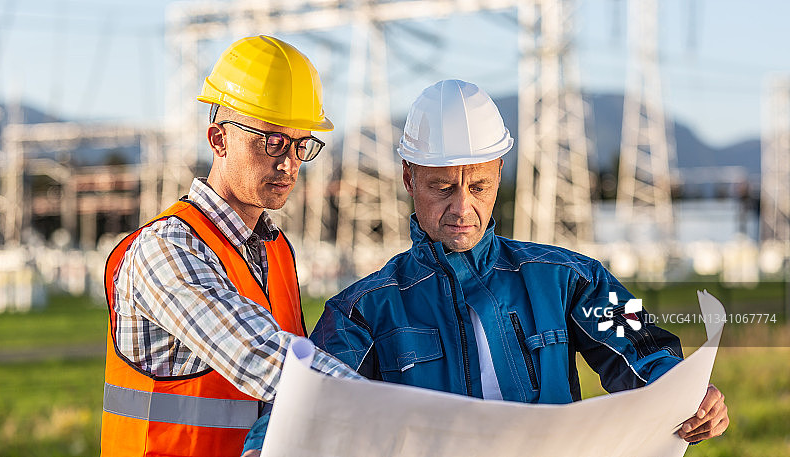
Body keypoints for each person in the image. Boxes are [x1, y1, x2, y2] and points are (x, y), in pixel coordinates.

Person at [242, 79, 728, 454]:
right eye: (442, 188)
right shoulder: (362, 313)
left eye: (478, 186)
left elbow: (646, 354)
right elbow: (300, 408)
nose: (462, 209)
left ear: (499, 171)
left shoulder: (571, 280)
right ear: (409, 178)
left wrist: (691, 398)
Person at [100, 36, 361, 457]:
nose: (288, 163)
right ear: (218, 139)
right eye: (272, 141)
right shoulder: (166, 251)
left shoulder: (274, 250)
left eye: (301, 145)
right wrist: (397, 417)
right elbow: (263, 357)